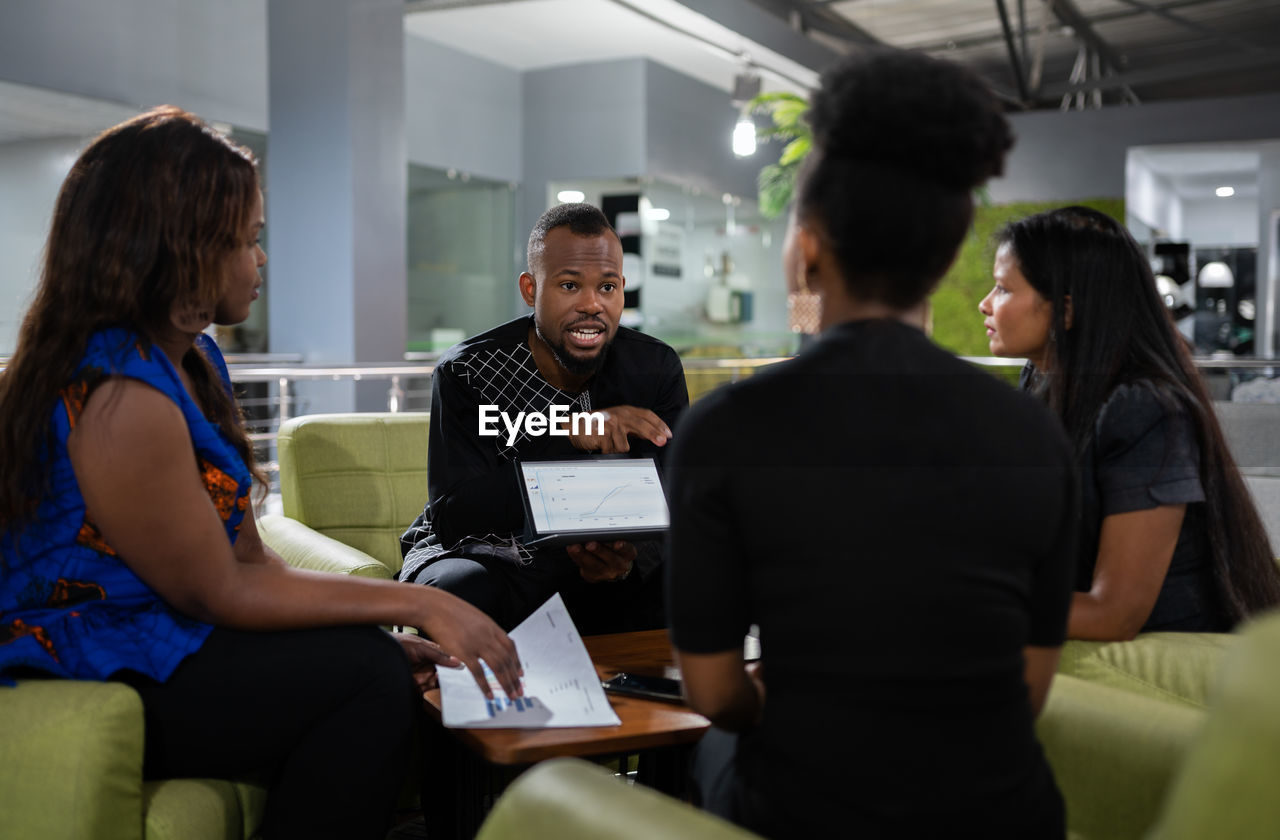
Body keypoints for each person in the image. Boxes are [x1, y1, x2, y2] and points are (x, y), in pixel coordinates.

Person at [0, 107, 520, 840]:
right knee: (367, 681)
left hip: (164, 633)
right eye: (248, 240)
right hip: (94, 658)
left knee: (372, 664)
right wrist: (427, 607)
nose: (261, 259)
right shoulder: (117, 393)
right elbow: (218, 590)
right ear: (181, 247)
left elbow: (250, 557)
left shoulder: (194, 360)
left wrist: (382, 631)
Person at [666, 49, 1076, 838]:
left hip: (812, 811)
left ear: (808, 250)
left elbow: (714, 695)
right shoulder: (1034, 433)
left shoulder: (725, 428)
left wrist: (773, 699)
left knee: (714, 755)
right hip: (1007, 817)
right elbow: (1027, 690)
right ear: (951, 257)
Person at [979, 205, 1280, 639]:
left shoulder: (1145, 409)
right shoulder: (1043, 383)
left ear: (1065, 312)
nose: (985, 303)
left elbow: (1113, 615)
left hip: (1165, 663)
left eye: (1003, 289)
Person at [399, 203, 688, 633]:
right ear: (531, 289)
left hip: (602, 565)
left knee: (693, 574)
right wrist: (568, 437)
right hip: (492, 558)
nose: (592, 304)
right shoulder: (469, 371)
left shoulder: (654, 368)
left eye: (607, 287)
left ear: (623, 288)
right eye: (570, 285)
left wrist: (626, 560)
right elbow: (455, 516)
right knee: (456, 591)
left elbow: (675, 497)